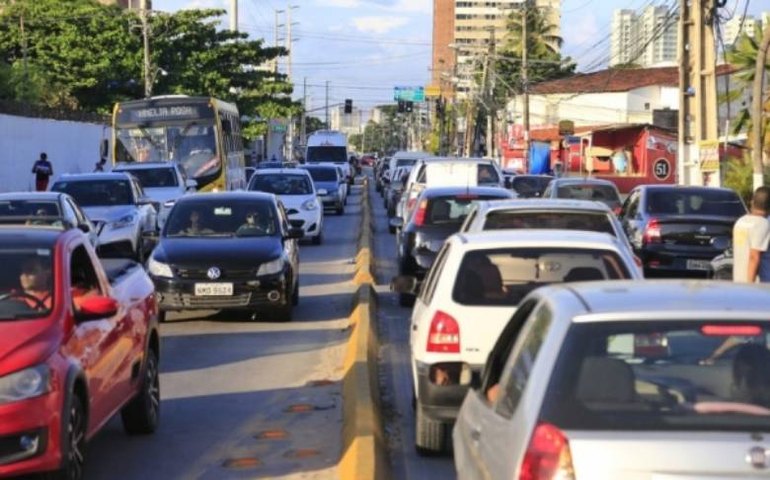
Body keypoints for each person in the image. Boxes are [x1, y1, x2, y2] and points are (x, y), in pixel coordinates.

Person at [732, 186, 770, 284]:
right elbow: (754, 257)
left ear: (752, 202)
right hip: (759, 287)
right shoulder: (763, 224)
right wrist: (750, 287)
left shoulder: (740, 222)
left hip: (738, 281)